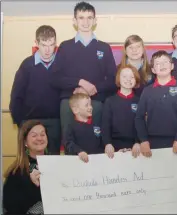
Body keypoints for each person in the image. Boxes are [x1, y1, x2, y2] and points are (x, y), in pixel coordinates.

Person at [52, 1, 117, 142]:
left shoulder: (104, 47)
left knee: (97, 147)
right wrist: (80, 82)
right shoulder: (65, 46)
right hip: (69, 104)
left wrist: (91, 89)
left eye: (89, 17)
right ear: (74, 21)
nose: (85, 22)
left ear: (95, 20)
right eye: (81, 17)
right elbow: (55, 78)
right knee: (71, 147)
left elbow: (113, 80)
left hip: (96, 104)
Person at [9, 25, 61, 155]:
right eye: (44, 45)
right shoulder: (27, 65)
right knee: (30, 166)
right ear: (36, 43)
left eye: (51, 44)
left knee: (52, 165)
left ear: (56, 42)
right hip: (30, 122)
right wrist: (22, 124)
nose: (48, 50)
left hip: (55, 123)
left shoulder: (62, 64)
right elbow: (16, 97)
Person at [135, 51, 177, 157]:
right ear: (153, 70)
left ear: (172, 66)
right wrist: (143, 140)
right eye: (157, 63)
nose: (162, 65)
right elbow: (139, 117)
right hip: (152, 143)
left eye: (165, 62)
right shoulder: (147, 91)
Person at [3, 120, 49, 214]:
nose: (39, 138)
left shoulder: (57, 165)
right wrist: (31, 184)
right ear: (25, 142)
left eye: (42, 134)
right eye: (34, 135)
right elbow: (10, 207)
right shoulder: (16, 172)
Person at [102, 65, 141, 158]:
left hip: (136, 148)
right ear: (118, 78)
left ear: (136, 80)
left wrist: (138, 142)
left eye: (132, 77)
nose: (128, 79)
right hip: (114, 148)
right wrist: (107, 144)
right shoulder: (110, 101)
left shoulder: (140, 101)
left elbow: (143, 125)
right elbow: (105, 125)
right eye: (124, 76)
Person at [65, 93, 103, 163]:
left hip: (97, 161)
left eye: (90, 104)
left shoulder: (97, 124)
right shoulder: (71, 126)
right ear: (75, 110)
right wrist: (79, 151)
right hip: (79, 162)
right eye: (86, 105)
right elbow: (68, 143)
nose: (91, 107)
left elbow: (102, 141)